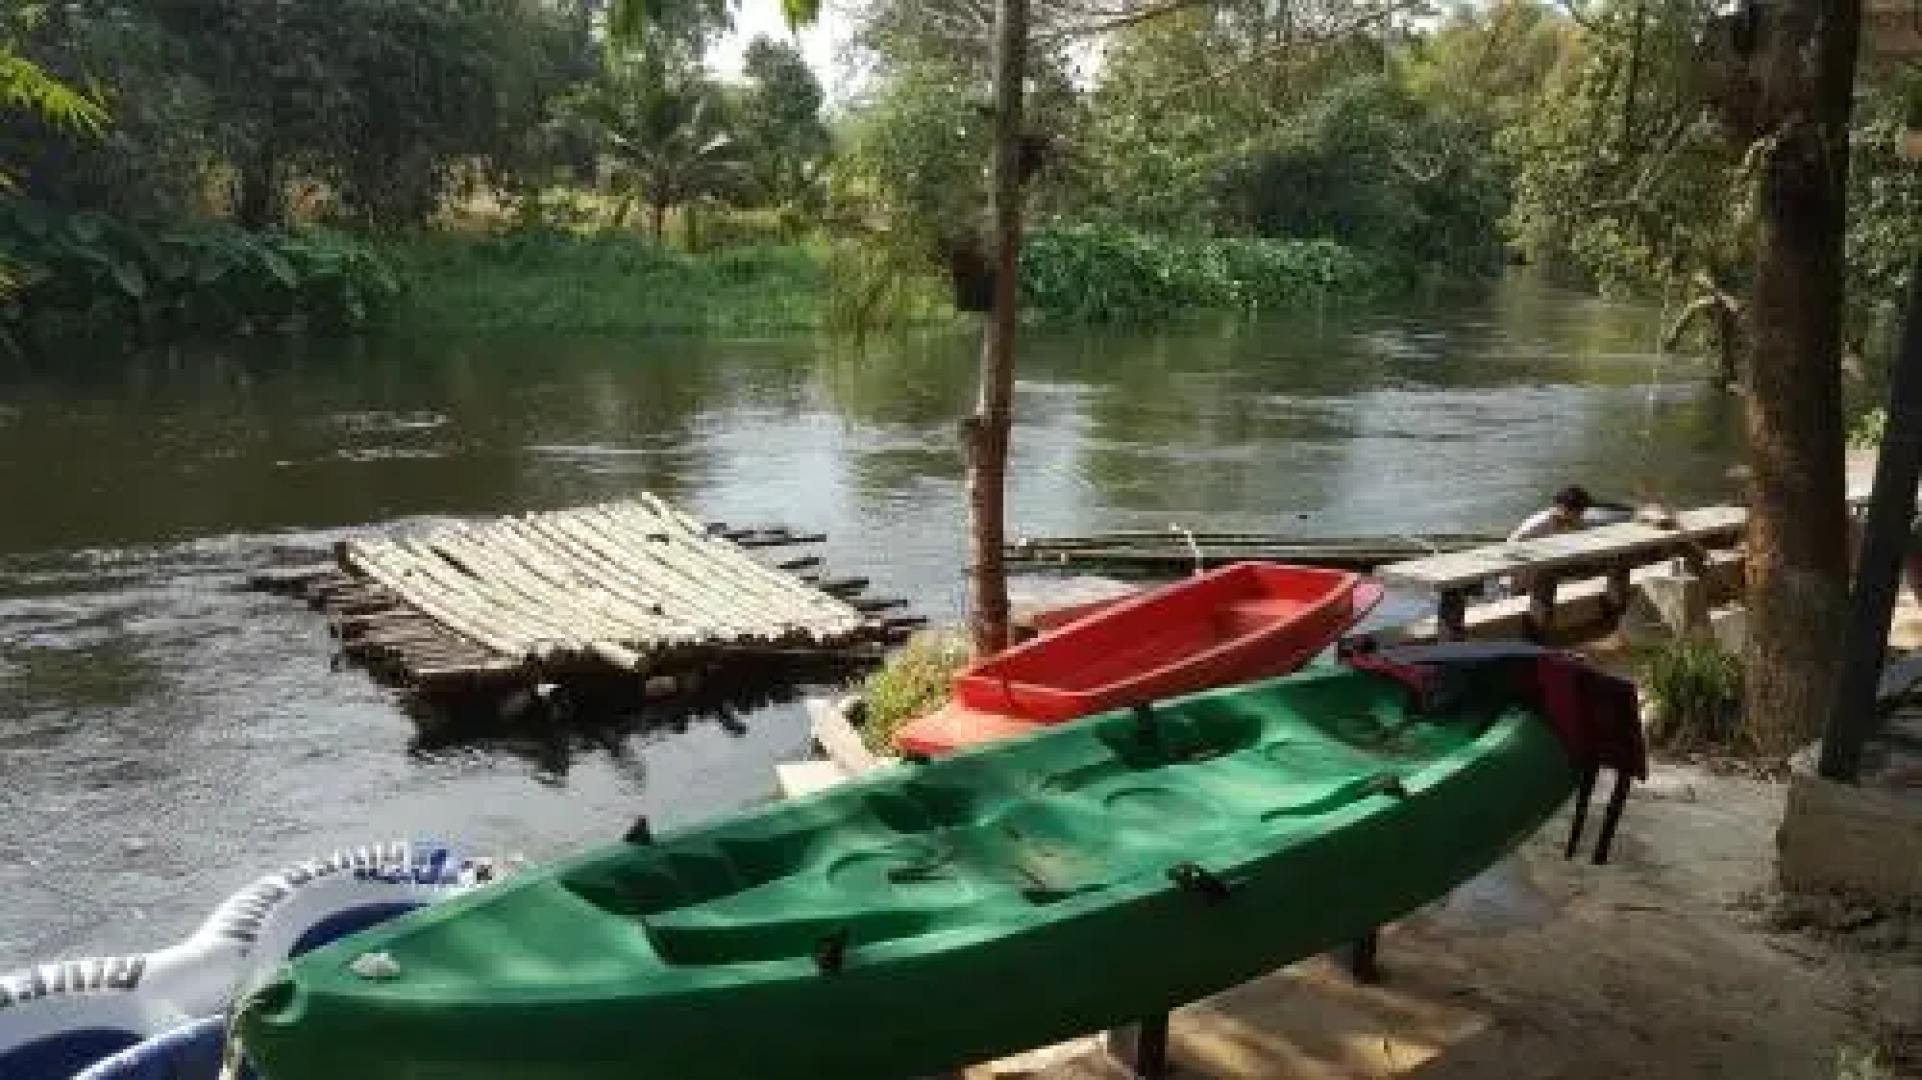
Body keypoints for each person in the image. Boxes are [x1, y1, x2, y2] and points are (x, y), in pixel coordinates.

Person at [1507, 486, 1595, 545]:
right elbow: (1513, 541)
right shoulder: (1540, 522)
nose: (1580, 515)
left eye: (1582, 511)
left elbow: (1583, 532)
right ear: (1563, 508)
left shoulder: (1571, 519)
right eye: (1578, 512)